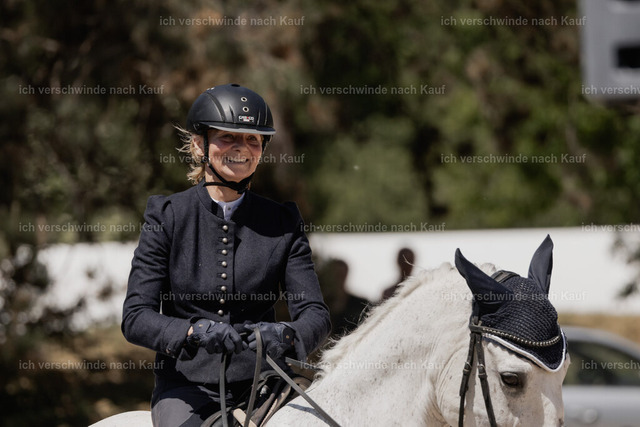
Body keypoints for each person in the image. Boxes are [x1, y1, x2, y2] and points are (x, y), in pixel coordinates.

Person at [121, 83, 331, 427]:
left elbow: (315, 314)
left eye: (252, 139)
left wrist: (286, 334)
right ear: (198, 144)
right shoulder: (167, 216)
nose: (241, 148)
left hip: (266, 383)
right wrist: (193, 332)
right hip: (187, 389)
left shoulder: (283, 221)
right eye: (228, 137)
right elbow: (135, 317)